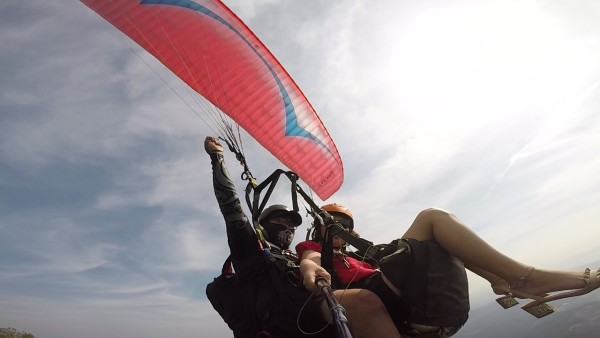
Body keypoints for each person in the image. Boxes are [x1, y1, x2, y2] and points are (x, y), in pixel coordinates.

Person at [297, 203, 600, 337]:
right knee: (431, 218)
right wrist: (311, 270)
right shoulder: (315, 246)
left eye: (346, 224)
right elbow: (309, 258)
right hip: (370, 294)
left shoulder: (357, 255)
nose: (340, 228)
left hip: (388, 289)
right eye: (332, 223)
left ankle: (500, 279)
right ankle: (521, 279)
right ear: (319, 227)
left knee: (437, 238)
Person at [204, 137, 403, 338]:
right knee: (364, 302)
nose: (289, 227)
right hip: (286, 323)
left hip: (315, 314)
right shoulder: (249, 251)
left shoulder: (290, 256)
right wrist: (217, 157)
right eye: (282, 220)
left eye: (292, 224)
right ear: (262, 226)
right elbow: (232, 209)